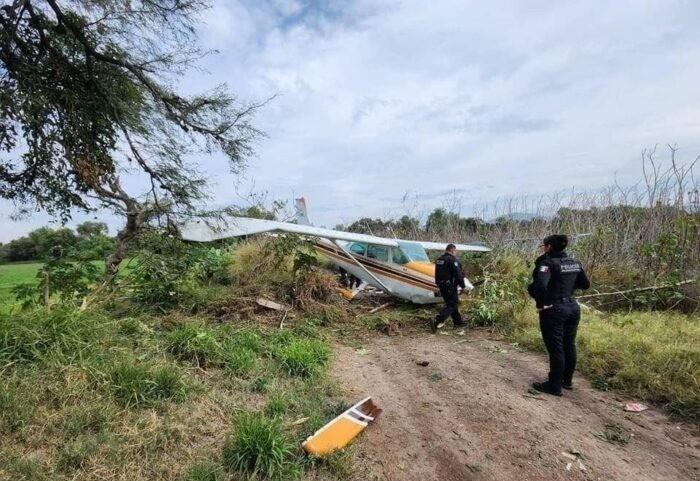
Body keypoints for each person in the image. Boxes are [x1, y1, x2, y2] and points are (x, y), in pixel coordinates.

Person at [528, 235, 590, 396]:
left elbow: (540, 285)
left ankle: (554, 385)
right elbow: (585, 284)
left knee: (556, 348)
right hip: (573, 307)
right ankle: (566, 381)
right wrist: (566, 287)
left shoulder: (548, 264)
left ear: (549, 247)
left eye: (544, 246)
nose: (543, 248)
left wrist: (541, 304)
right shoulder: (574, 263)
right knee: (569, 344)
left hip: (554, 308)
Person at [431, 244, 466, 333]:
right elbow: (458, 276)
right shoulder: (452, 260)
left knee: (451, 303)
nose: (456, 253)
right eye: (455, 251)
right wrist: (463, 286)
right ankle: (438, 319)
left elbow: (437, 273)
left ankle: (458, 322)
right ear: (452, 250)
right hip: (450, 285)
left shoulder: (439, 259)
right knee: (453, 304)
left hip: (441, 285)